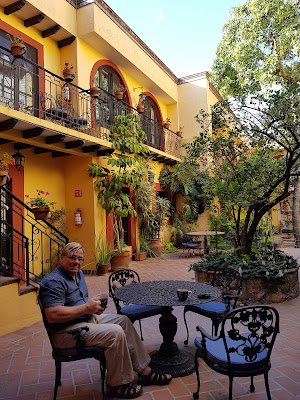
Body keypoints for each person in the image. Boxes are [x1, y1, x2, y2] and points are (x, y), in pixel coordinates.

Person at [39, 242, 172, 399]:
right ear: (62, 258)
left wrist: (93, 308)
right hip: (66, 333)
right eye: (72, 258)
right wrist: (86, 309)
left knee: (123, 321)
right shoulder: (53, 281)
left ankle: (144, 371)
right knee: (115, 332)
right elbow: (52, 314)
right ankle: (117, 385)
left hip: (85, 320)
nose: (76, 262)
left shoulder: (77, 274)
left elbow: (78, 304)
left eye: (80, 259)